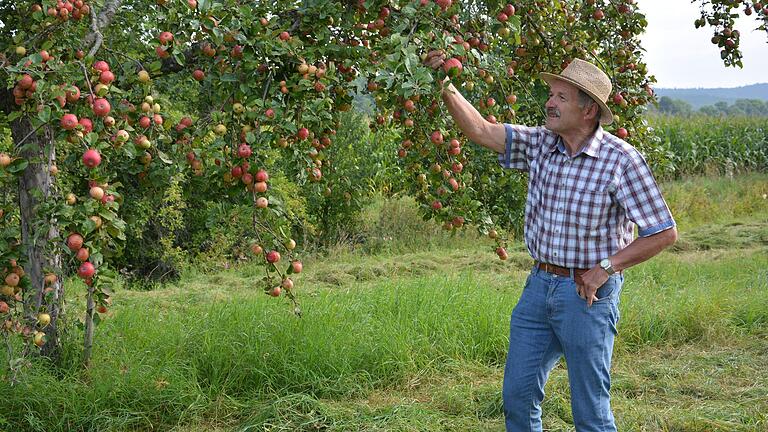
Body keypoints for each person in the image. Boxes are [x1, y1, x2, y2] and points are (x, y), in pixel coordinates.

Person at [424, 53, 678, 431]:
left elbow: (663, 232)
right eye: (551, 94)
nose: (549, 103)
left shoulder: (620, 161)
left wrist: (605, 269)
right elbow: (480, 130)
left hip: (587, 294)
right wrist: (444, 82)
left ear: (588, 109)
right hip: (539, 286)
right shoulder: (541, 144)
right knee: (518, 397)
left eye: (560, 96)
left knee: (590, 409)